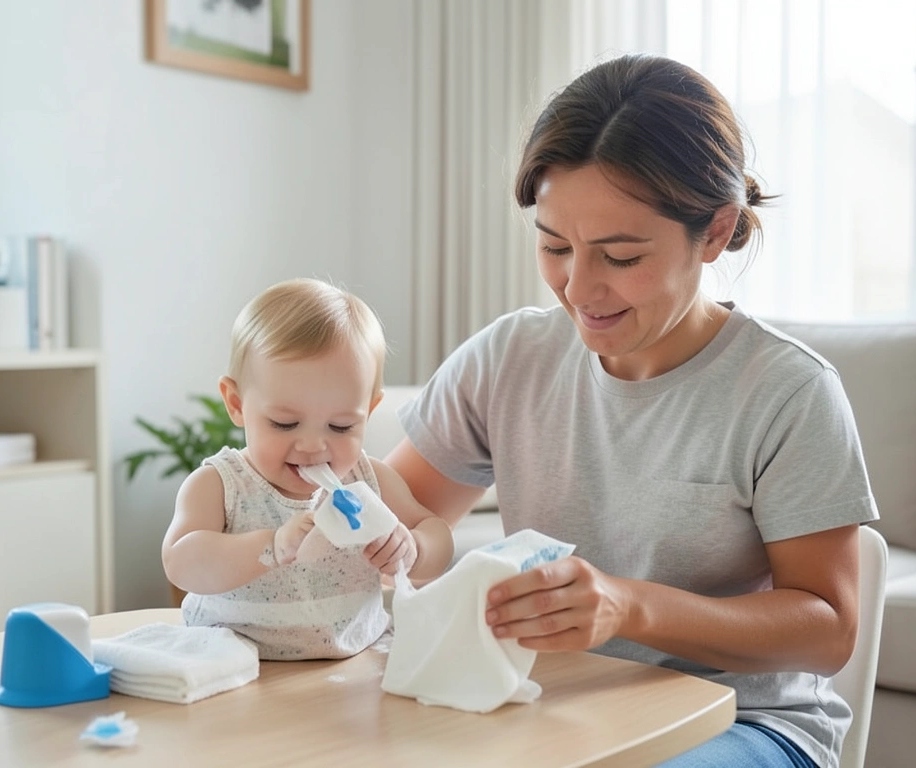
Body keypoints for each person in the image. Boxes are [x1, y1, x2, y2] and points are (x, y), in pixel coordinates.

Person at [384, 54, 878, 768]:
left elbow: (828, 629)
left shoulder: (786, 391)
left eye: (619, 255)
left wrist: (629, 607)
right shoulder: (509, 358)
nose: (578, 287)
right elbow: (401, 524)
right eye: (554, 245)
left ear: (714, 231)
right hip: (554, 703)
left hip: (746, 723)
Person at [162, 277, 454, 661]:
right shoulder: (221, 485)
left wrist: (414, 548)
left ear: (368, 410)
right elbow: (180, 563)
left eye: (340, 427)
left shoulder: (369, 481)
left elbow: (437, 534)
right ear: (236, 404)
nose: (314, 446)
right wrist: (270, 546)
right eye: (285, 424)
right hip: (236, 667)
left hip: (353, 667)